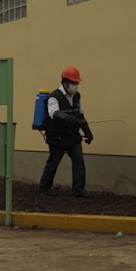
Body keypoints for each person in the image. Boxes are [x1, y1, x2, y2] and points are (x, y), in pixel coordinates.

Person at [38, 66, 94, 198]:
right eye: (73, 82)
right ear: (65, 81)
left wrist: (87, 132)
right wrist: (68, 118)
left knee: (79, 162)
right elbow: (53, 113)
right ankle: (43, 189)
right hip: (57, 137)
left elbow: (80, 116)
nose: (75, 85)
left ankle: (79, 190)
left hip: (73, 137)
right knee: (53, 163)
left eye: (77, 83)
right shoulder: (54, 96)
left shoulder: (77, 96)